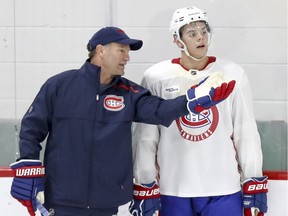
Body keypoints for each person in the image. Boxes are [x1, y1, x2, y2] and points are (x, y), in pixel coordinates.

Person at [9, 26, 235, 216]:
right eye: (122, 50)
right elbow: (32, 128)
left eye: (128, 51)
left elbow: (160, 110)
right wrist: (28, 166)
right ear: (101, 51)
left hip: (106, 203)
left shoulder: (129, 92)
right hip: (61, 199)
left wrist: (190, 101)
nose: (127, 56)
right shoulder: (59, 86)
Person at [130, 6, 268, 216]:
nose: (200, 37)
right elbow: (145, 138)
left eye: (203, 31)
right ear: (177, 40)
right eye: (192, 33)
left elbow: (245, 132)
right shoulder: (156, 77)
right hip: (173, 188)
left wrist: (253, 181)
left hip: (224, 188)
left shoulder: (232, 73)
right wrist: (145, 183)